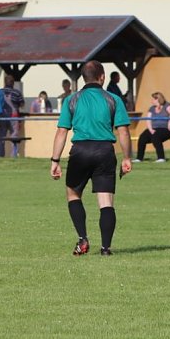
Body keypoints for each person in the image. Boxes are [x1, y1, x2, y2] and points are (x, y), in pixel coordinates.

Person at [50, 60, 133, 256]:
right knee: (106, 202)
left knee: (73, 195)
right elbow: (124, 132)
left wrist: (55, 161)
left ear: (83, 78)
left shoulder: (71, 99)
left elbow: (62, 132)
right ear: (102, 77)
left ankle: (83, 239)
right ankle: (105, 248)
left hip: (80, 151)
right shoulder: (113, 99)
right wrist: (127, 158)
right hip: (105, 151)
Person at [135, 91, 170, 163]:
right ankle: (139, 158)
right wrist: (150, 129)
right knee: (142, 138)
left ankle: (161, 158)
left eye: (153, 99)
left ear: (158, 99)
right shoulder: (152, 109)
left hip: (166, 129)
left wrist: (169, 124)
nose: (152, 101)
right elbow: (148, 120)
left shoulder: (167, 105)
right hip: (153, 129)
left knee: (156, 137)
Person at [0, 74, 25, 157]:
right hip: (14, 117)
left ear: (4, 82)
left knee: (1, 137)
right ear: (13, 83)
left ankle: (0, 155)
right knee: (14, 136)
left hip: (2, 117)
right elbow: (22, 105)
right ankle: (14, 155)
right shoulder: (17, 93)